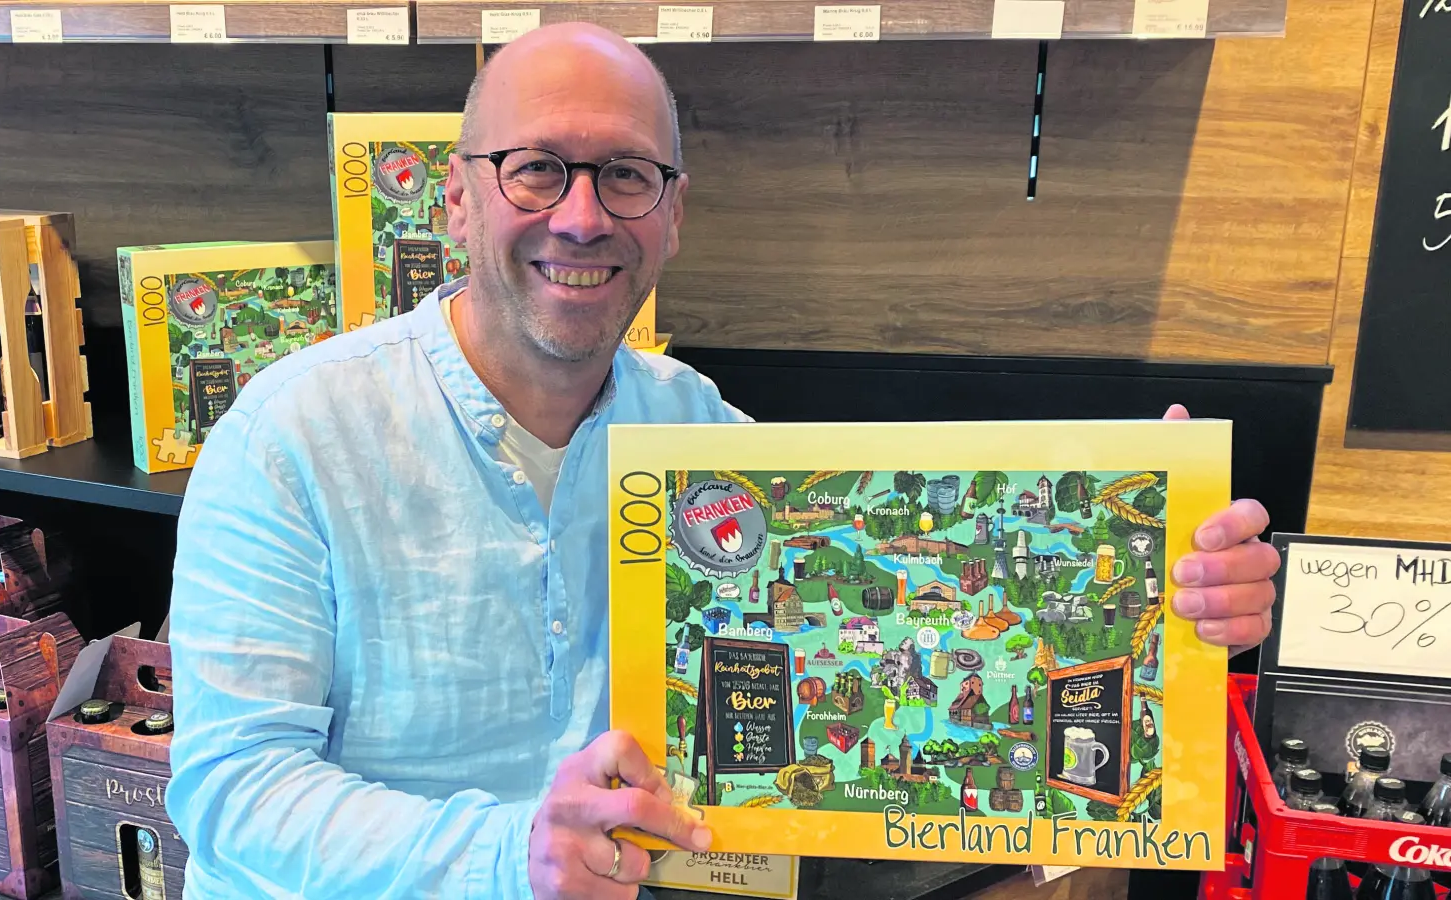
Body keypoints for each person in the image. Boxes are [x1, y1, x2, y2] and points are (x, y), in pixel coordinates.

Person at [165, 22, 1282, 900]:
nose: (583, 217)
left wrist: (1163, 593)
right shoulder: (291, 434)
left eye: (627, 176)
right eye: (535, 169)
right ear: (456, 198)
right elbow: (230, 792)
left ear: (674, 215)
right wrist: (513, 856)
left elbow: (919, 615)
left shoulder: (696, 435)